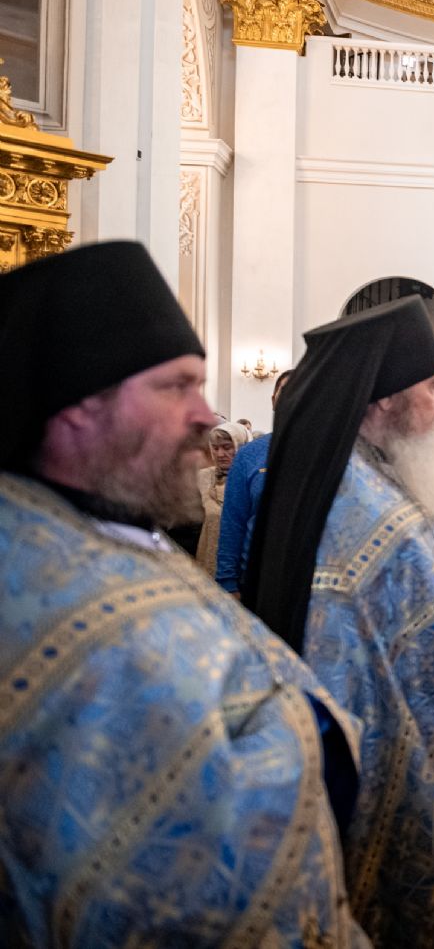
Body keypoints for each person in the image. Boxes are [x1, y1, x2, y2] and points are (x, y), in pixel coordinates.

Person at [0, 242, 368, 946]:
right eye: (178, 386)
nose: (208, 415)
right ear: (80, 406)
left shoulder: (107, 525)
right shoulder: (39, 579)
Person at [240, 296, 434, 947]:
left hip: (423, 732)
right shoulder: (367, 508)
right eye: (433, 386)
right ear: (382, 400)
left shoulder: (371, 479)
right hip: (406, 754)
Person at [214, 366, 292, 591]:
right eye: (285, 391)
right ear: (273, 400)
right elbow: (233, 522)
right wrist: (228, 583)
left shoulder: (326, 452)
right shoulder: (250, 455)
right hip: (256, 580)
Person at [195, 420, 250, 575]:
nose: (220, 454)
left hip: (241, 566)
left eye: (227, 447)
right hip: (207, 562)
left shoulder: (250, 479)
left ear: (242, 446)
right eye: (215, 448)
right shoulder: (202, 477)